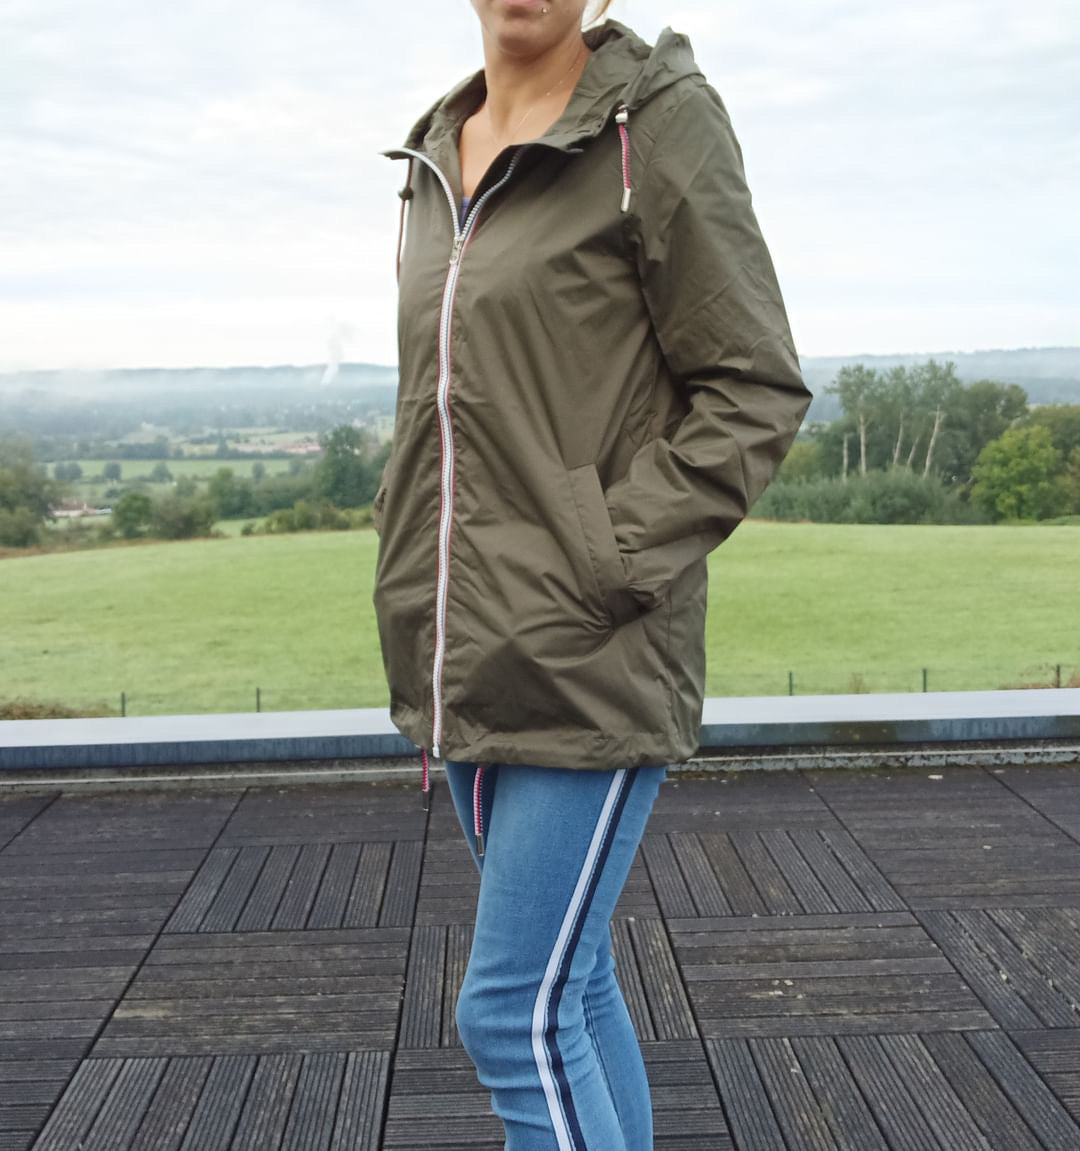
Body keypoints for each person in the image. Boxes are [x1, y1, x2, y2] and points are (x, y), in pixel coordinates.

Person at [373, 1, 812, 1146]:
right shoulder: (432, 153)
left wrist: (609, 552)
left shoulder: (655, 126)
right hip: (464, 644)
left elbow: (753, 387)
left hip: (590, 641)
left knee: (511, 1012)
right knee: (572, 985)